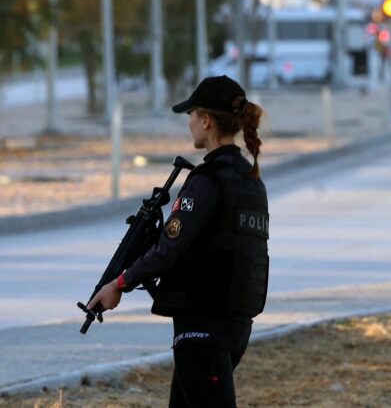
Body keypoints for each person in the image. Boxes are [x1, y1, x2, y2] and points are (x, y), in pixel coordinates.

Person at [87, 75, 270, 407]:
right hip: (235, 325)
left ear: (206, 120)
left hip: (203, 328)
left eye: (191, 115)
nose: (189, 123)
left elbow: (168, 249)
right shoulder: (251, 180)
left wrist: (120, 283)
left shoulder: (206, 181)